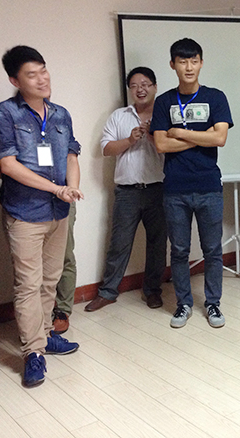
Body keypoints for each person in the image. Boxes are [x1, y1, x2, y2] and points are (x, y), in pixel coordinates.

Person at [0, 45, 82, 388]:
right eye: (32, 74)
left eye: (44, 70)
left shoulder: (60, 114)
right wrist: (55, 188)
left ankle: (44, 335)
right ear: (15, 80)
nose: (42, 79)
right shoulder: (4, 113)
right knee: (28, 284)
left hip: (59, 210)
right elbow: (7, 164)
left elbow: (72, 154)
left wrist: (72, 188)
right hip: (25, 213)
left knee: (50, 279)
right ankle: (32, 352)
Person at [151, 38, 233, 329]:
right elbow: (161, 144)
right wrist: (201, 136)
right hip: (175, 189)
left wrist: (180, 133)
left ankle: (213, 303)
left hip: (209, 186)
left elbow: (220, 138)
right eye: (182, 61)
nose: (188, 67)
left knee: (212, 250)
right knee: (179, 251)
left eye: (194, 61)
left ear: (201, 63)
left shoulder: (215, 97)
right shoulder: (164, 102)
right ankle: (183, 303)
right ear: (172, 64)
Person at [85, 66, 166, 312]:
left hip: (159, 189)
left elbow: (171, 148)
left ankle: (152, 291)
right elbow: (106, 148)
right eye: (134, 85)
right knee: (119, 243)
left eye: (145, 84)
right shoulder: (119, 116)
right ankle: (108, 292)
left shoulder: (164, 114)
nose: (140, 89)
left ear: (155, 87)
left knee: (158, 244)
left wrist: (151, 135)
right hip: (127, 191)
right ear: (130, 89)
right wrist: (130, 140)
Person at [52, 202, 76, 333]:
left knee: (65, 257)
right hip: (29, 203)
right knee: (33, 264)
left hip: (63, 201)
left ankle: (63, 310)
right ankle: (40, 314)